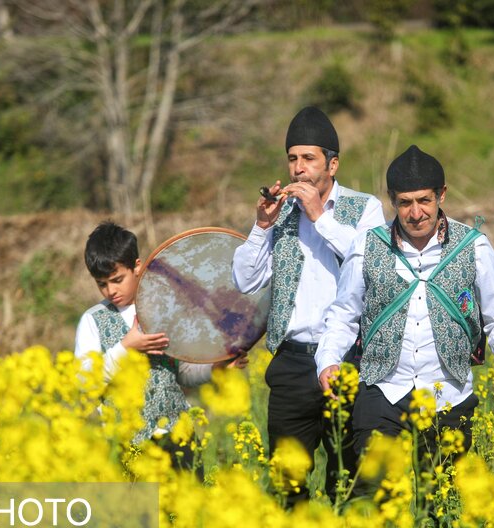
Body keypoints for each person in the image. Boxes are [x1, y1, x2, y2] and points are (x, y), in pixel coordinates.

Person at [315, 145, 494, 458]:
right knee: (374, 496)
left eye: (424, 201)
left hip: (449, 397)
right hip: (382, 392)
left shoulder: (475, 246)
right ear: (392, 201)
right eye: (405, 203)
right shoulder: (367, 245)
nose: (416, 213)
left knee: (440, 501)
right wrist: (328, 359)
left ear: (441, 195)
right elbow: (344, 314)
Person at [232, 106, 386, 488]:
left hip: (351, 362)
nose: (299, 169)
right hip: (292, 365)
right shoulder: (280, 214)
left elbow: (377, 267)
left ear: (332, 166)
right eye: (292, 159)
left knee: (351, 481)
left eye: (309, 159)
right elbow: (245, 280)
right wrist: (261, 225)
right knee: (287, 483)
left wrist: (320, 216)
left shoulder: (365, 208)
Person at [75, 221, 245, 459]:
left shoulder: (166, 307)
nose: (110, 291)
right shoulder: (92, 321)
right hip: (128, 445)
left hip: (178, 437)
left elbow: (182, 370)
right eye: (101, 284)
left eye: (117, 280)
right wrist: (127, 348)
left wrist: (215, 368)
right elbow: (86, 384)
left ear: (137, 266)